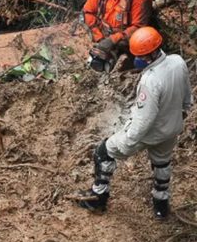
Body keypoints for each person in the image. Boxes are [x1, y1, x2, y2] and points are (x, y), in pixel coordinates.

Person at [77, 27, 191, 219]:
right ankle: (161, 205)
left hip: (148, 133)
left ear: (150, 53)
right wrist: (181, 114)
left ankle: (98, 197)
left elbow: (144, 120)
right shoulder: (177, 62)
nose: (137, 59)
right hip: (172, 128)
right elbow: (187, 97)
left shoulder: (150, 79)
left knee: (103, 152)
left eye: (141, 55)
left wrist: (126, 139)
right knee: (162, 164)